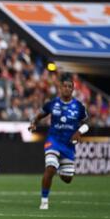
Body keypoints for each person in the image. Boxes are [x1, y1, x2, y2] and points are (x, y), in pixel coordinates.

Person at [29, 74, 88, 210]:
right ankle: (44, 201)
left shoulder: (79, 106)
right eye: (64, 86)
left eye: (70, 87)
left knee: (67, 179)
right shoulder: (52, 104)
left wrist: (79, 131)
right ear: (60, 88)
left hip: (68, 145)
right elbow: (39, 116)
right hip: (53, 141)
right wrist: (33, 123)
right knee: (50, 168)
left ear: (73, 89)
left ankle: (62, 168)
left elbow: (87, 123)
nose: (67, 89)